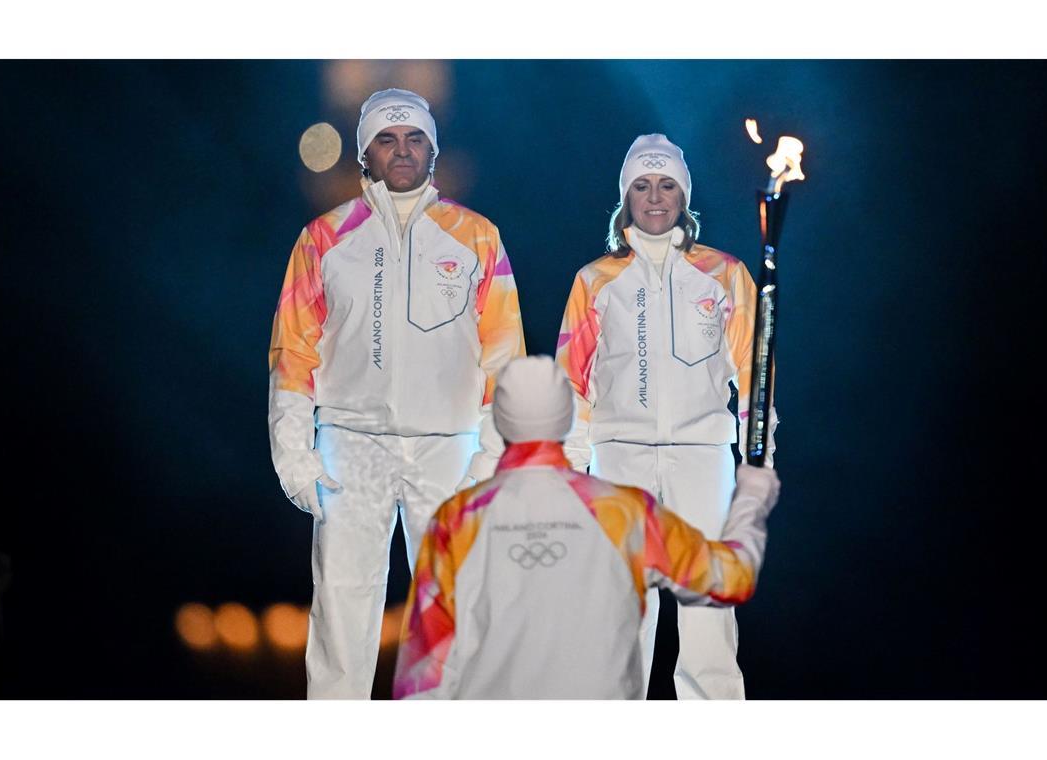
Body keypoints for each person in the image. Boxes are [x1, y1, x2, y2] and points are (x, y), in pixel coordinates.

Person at [267, 88, 525, 699]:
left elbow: (504, 354)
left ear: (433, 151)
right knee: (341, 607)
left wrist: (491, 456)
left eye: (415, 139)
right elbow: (292, 353)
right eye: (387, 139)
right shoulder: (323, 239)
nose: (402, 151)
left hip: (450, 446)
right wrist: (294, 457)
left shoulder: (477, 237)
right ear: (365, 154)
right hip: (351, 444)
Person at [393, 356, 780, 699]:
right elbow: (731, 578)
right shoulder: (624, 513)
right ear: (568, 417)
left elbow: (423, 674)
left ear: (499, 420)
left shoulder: (456, 521)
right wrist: (751, 498)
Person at [554, 134, 778, 699]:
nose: (655, 197)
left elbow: (755, 372)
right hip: (619, 460)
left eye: (667, 185)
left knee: (708, 620)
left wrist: (759, 456)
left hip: (702, 460)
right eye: (642, 185)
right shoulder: (594, 281)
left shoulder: (725, 275)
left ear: (684, 196)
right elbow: (572, 382)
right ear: (626, 197)